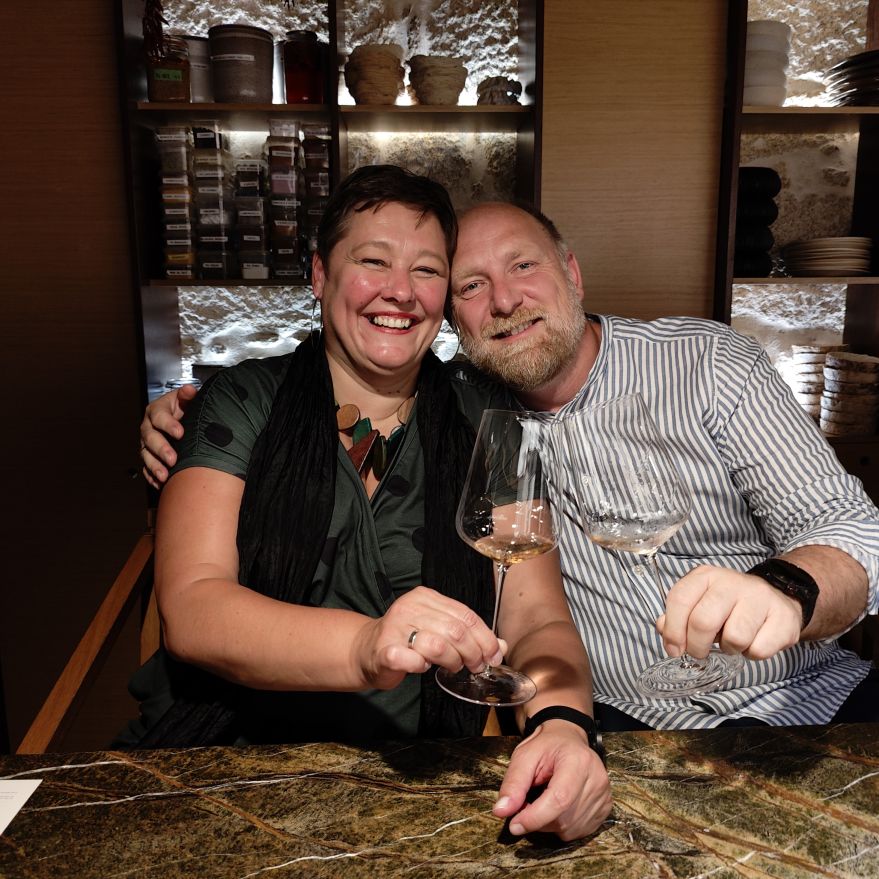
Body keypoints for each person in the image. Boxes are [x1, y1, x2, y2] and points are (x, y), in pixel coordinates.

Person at [142, 194, 879, 733]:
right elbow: (334, 392)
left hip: (813, 699)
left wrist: (787, 589)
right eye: (469, 285)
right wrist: (182, 414)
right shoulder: (473, 409)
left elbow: (853, 529)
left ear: (571, 273)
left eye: (523, 266)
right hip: (628, 724)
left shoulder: (707, 363)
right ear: (451, 317)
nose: (503, 300)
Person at [124, 166, 611, 841]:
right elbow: (194, 607)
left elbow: (536, 616)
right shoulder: (240, 401)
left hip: (422, 776)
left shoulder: (483, 413)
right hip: (229, 763)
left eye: (426, 270)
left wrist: (564, 727)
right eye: (373, 261)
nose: (400, 292)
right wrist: (365, 645)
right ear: (320, 274)